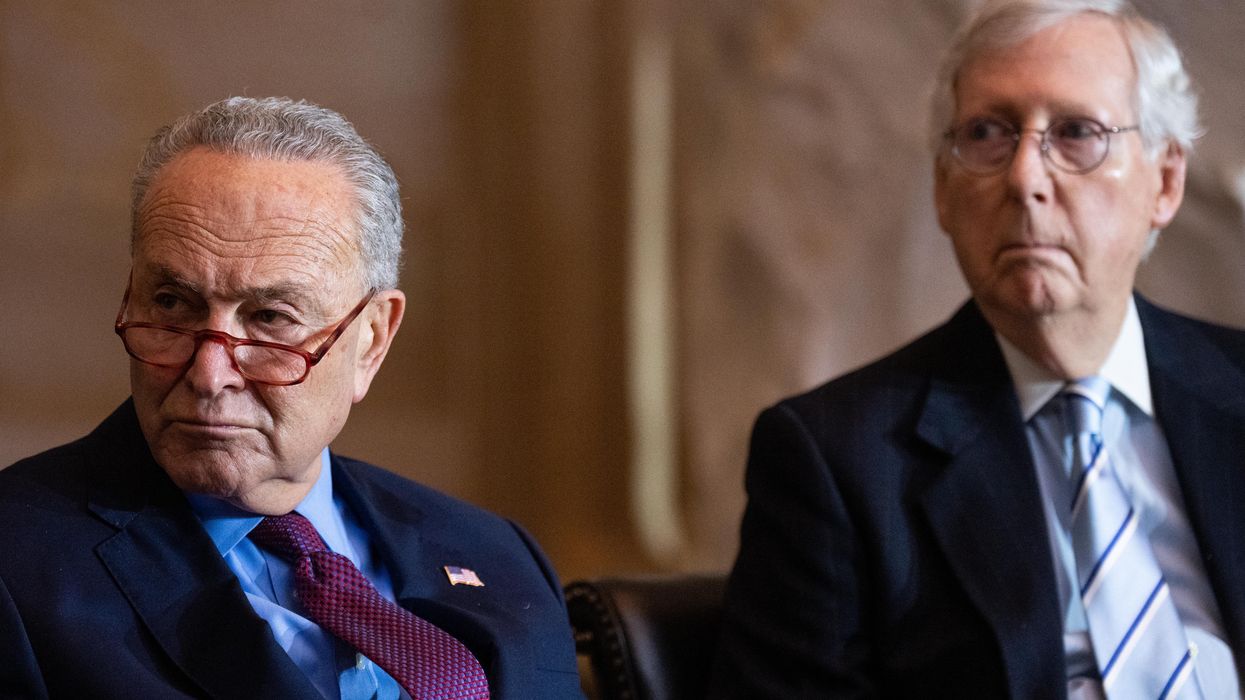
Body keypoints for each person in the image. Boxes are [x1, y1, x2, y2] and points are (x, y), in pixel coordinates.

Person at [711, 1, 1245, 697]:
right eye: (987, 133)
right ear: (941, 187)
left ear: (1164, 182)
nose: (1024, 178)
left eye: (1077, 132)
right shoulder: (837, 463)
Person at [0, 97, 581, 699]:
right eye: (172, 304)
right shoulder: (16, 567)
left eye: (272, 317)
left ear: (371, 341)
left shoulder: (497, 553)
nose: (209, 373)